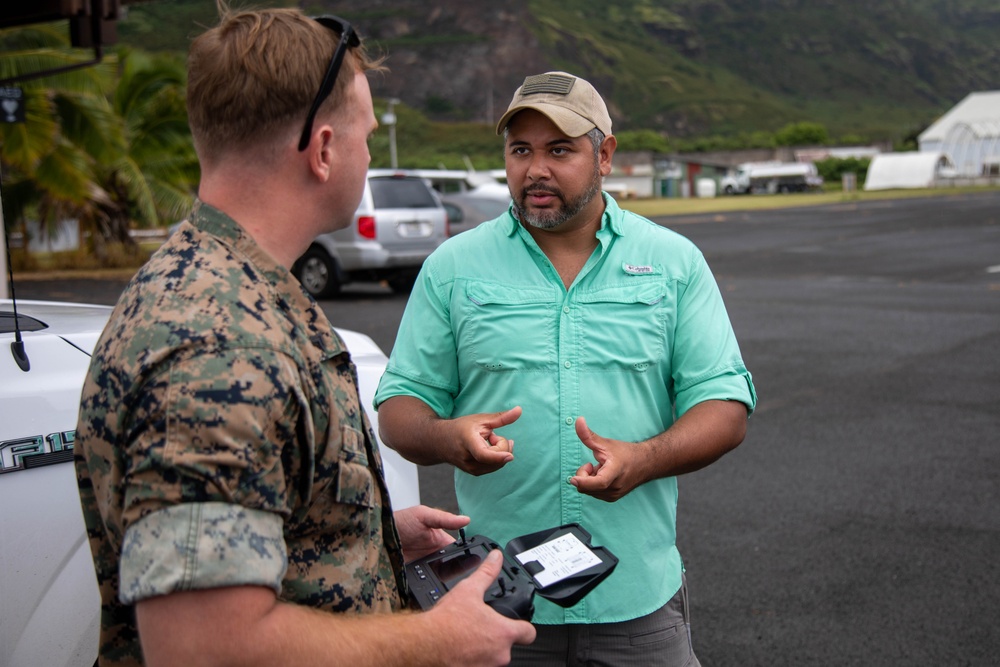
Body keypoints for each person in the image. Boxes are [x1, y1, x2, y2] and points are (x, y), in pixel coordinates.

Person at [73, 6, 535, 667]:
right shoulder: (217, 343)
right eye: (366, 135)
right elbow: (203, 645)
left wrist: (363, 542)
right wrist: (436, 640)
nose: (370, 151)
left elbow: (257, 528)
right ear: (322, 150)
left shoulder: (239, 282)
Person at [374, 71, 757, 666]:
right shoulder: (453, 267)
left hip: (637, 605)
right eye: (521, 150)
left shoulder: (673, 262)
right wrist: (445, 437)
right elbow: (399, 409)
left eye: (560, 149)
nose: (536, 170)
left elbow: (725, 407)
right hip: (496, 605)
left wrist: (645, 458)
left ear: (604, 155)